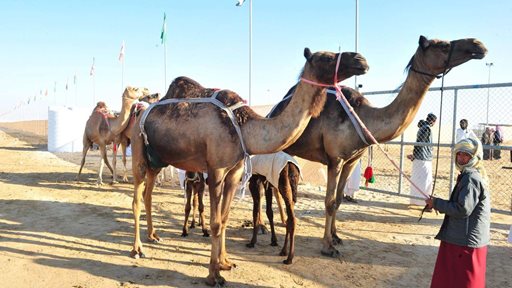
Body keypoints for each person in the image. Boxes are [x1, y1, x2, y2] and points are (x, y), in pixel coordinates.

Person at [426, 137, 490, 288]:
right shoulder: (470, 175)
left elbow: (463, 209)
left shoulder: (471, 179)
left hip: (464, 242)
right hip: (463, 237)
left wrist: (436, 203)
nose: (461, 158)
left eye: (466, 155)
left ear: (474, 157)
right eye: (459, 154)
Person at [408, 113, 436, 207]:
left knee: (418, 179)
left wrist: (415, 155)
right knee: (425, 180)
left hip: (421, 158)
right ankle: (423, 202)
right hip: (423, 158)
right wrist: (415, 155)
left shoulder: (423, 128)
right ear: (433, 121)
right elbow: (420, 144)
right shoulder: (427, 129)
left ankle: (417, 200)